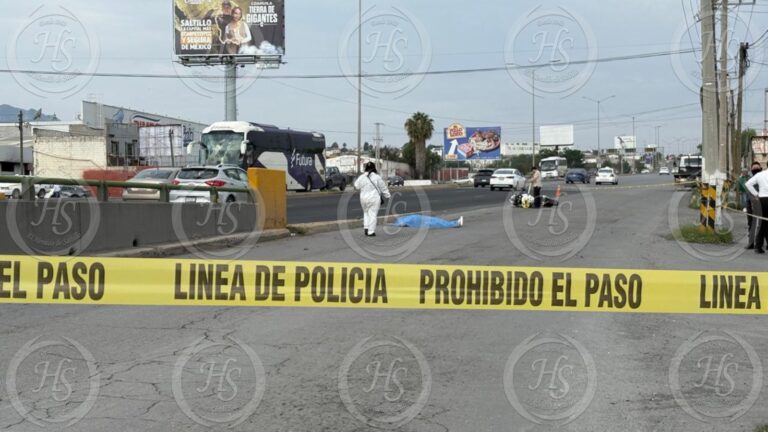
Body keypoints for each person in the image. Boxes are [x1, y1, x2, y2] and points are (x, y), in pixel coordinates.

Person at [354, 162, 391, 237]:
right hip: (374, 198)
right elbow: (383, 187)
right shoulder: (377, 177)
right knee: (373, 214)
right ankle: (371, 231)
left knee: (366, 212)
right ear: (374, 168)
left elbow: (356, 186)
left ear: (366, 169)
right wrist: (388, 196)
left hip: (363, 198)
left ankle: (366, 228)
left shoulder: (361, 177)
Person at [745, 162, 768, 253]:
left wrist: (756, 194)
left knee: (762, 223)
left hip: (762, 200)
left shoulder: (760, 175)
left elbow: (748, 184)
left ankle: (758, 246)